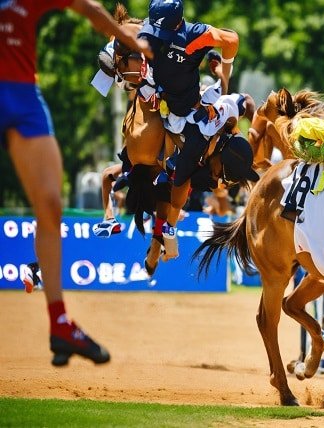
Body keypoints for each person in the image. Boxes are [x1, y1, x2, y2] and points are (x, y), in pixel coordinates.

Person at [1, 0, 151, 366]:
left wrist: (127, 38)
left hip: (22, 97)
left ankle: (60, 324)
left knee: (50, 206)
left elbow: (88, 8)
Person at [137, 0, 255, 262]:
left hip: (189, 111)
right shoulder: (149, 30)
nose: (159, 37)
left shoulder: (194, 34)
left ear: (178, 23)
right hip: (158, 96)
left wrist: (226, 66)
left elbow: (232, 39)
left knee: (185, 166)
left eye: (164, 31)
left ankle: (169, 226)